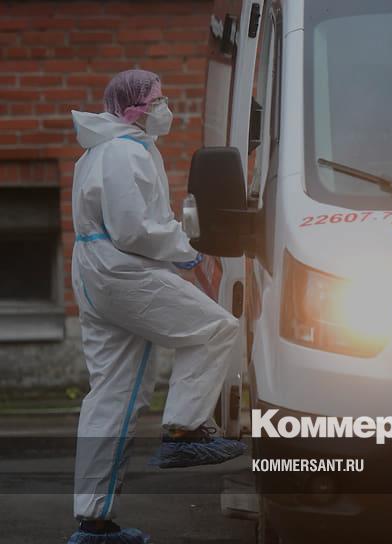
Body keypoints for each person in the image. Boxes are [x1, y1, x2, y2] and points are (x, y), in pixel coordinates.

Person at [68, 69, 245, 544]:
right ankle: (184, 430)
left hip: (98, 271)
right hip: (123, 270)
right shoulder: (124, 152)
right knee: (215, 328)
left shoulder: (101, 150)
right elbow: (134, 229)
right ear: (134, 109)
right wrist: (189, 252)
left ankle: (94, 523)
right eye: (158, 101)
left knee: (114, 394)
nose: (166, 108)